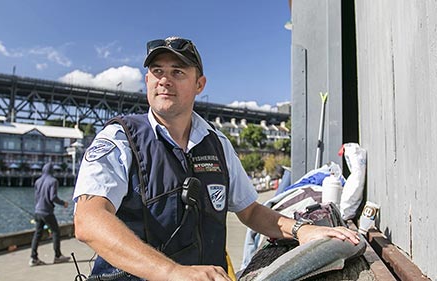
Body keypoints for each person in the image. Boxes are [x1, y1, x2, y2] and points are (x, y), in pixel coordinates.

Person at [73, 36, 361, 280]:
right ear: (147, 79)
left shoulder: (217, 144)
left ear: (200, 84)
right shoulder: (120, 139)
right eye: (157, 71)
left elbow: (250, 211)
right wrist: (173, 273)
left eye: (177, 72)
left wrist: (302, 230)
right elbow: (88, 219)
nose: (164, 81)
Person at [29, 162, 70, 266]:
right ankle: (58, 256)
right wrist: (63, 203)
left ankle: (33, 258)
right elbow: (53, 197)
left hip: (38, 211)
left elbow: (36, 197)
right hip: (47, 212)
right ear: (52, 171)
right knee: (56, 231)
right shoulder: (53, 181)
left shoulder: (37, 181)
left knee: (37, 234)